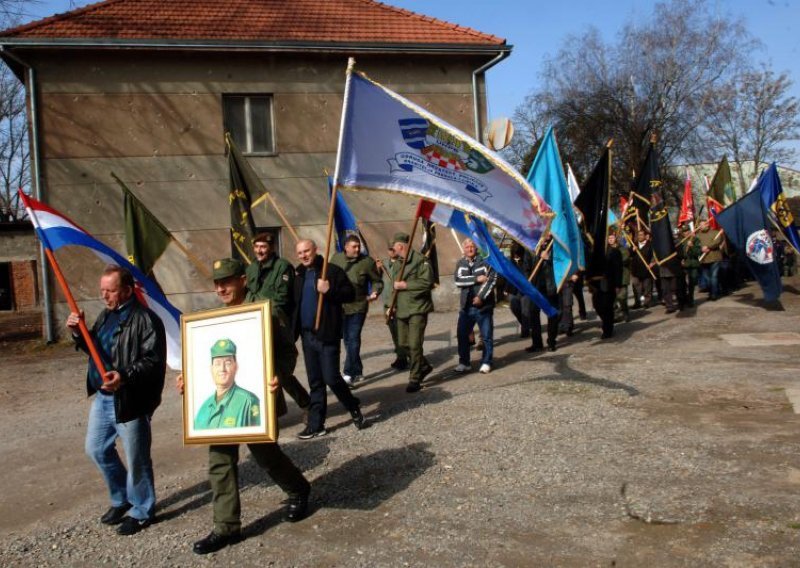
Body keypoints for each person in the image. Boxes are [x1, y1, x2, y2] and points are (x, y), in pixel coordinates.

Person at [177, 257, 311, 554]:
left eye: (227, 281)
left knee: (267, 457)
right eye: (217, 283)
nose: (221, 288)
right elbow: (204, 361)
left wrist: (278, 374)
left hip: (255, 403)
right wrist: (191, 379)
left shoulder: (265, 312)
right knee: (220, 462)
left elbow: (288, 353)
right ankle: (227, 528)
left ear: (243, 280)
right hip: (221, 404)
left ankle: (299, 489)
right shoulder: (213, 321)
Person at [66, 265, 166, 536]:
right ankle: (122, 497)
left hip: (130, 399)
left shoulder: (145, 320)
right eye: (102, 291)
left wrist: (122, 375)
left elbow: (153, 361)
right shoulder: (106, 316)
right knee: (96, 449)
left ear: (126, 290)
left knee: (137, 459)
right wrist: (79, 332)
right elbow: (95, 350)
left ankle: (143, 510)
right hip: (103, 397)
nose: (105, 296)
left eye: (110, 291)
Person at [292, 239, 367, 438]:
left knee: (331, 378)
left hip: (326, 334)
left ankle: (353, 406)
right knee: (315, 382)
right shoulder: (297, 274)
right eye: (300, 253)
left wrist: (329, 290)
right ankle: (317, 425)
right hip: (307, 336)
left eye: (307, 251)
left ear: (315, 250)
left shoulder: (331, 271)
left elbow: (350, 294)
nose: (304, 256)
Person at [245, 232, 310, 416]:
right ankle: (274, 412)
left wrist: (256, 304)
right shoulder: (250, 270)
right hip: (254, 326)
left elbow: (281, 299)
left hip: (277, 325)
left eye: (263, 247)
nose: (259, 250)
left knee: (280, 371)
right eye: (257, 247)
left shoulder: (283, 267)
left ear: (271, 248)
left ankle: (306, 404)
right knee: (262, 371)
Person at [330, 234, 383, 386]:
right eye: (354, 246)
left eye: (358, 246)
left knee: (352, 339)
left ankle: (348, 374)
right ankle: (358, 370)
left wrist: (375, 292)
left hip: (358, 305)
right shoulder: (336, 259)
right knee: (347, 340)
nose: (357, 249)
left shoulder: (366, 262)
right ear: (346, 247)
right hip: (339, 307)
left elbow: (377, 281)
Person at [388, 232, 435, 393]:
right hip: (401, 308)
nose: (392, 250)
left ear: (400, 246)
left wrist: (406, 285)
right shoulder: (396, 264)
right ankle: (424, 365)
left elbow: (427, 282)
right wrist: (391, 305)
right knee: (403, 344)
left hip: (417, 308)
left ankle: (414, 378)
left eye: (393, 247)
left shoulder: (421, 261)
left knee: (414, 345)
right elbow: (393, 287)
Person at [194, 339, 261, 429]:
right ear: (211, 369)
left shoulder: (249, 401)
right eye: (217, 364)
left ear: (236, 367)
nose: (222, 369)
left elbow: (259, 437)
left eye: (228, 363)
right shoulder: (204, 408)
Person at [454, 238, 497, 374]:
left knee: (486, 336)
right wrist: (475, 279)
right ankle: (464, 362)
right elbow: (458, 281)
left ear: (476, 248)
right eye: (467, 247)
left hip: (483, 307)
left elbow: (492, 280)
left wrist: (481, 297)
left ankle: (486, 362)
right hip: (466, 307)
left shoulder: (485, 261)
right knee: (462, 335)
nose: (470, 249)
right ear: (463, 249)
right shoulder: (460, 263)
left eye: (472, 246)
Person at [376, 242, 408, 370]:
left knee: (404, 332)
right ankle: (401, 357)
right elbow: (377, 280)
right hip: (387, 303)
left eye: (394, 249)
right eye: (390, 249)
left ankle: (412, 356)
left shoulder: (403, 263)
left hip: (400, 303)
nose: (392, 251)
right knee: (394, 332)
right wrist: (377, 269)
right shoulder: (383, 263)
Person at [527, 235, 560, 352]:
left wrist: (549, 258)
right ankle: (537, 343)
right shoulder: (531, 246)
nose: (545, 235)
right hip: (535, 287)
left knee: (552, 314)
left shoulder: (556, 245)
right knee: (533, 314)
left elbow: (561, 262)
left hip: (550, 286)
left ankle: (551, 341)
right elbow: (527, 266)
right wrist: (538, 255)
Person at [591, 233, 623, 339]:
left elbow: (618, 269)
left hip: (609, 284)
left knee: (607, 307)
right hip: (597, 285)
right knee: (597, 305)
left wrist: (618, 285)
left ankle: (607, 330)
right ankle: (606, 321)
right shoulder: (594, 252)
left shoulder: (614, 252)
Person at [697, 220, 724, 301]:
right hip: (704, 259)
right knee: (707, 278)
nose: (701, 226)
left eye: (702, 225)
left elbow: (718, 241)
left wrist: (708, 247)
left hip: (715, 258)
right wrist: (701, 248)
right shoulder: (697, 236)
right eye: (700, 225)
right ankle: (713, 291)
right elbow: (696, 244)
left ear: (707, 225)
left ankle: (714, 294)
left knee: (714, 277)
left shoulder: (715, 233)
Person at [630, 229, 655, 308]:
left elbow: (654, 256)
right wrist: (632, 250)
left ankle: (647, 302)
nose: (639, 237)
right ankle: (637, 302)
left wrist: (652, 263)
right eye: (638, 235)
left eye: (641, 235)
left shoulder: (650, 245)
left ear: (645, 236)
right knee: (636, 287)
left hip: (646, 270)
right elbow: (628, 254)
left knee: (647, 287)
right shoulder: (634, 244)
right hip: (635, 270)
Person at [678, 225, 701, 307]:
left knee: (692, 283)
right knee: (683, 284)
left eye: (687, 231)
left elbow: (698, 252)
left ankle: (691, 299)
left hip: (693, 264)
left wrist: (692, 246)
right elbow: (678, 253)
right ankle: (684, 299)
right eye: (684, 231)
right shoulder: (680, 241)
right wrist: (681, 259)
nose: (686, 232)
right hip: (683, 265)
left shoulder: (695, 240)